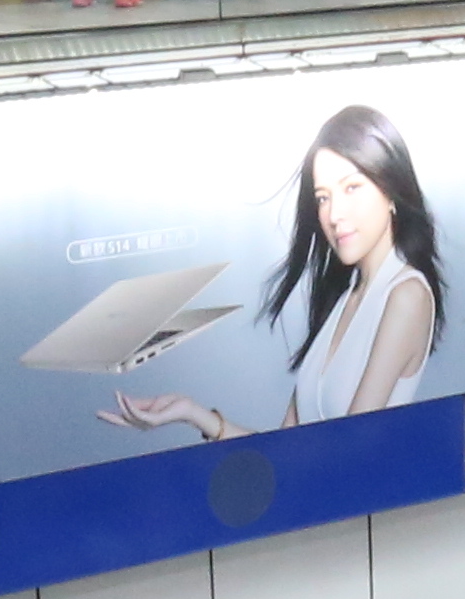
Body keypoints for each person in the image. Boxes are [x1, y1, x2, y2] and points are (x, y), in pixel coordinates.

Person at [105, 104, 445, 438]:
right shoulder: (345, 298)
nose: (335, 213)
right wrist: (193, 415)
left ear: (391, 191)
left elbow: (348, 447)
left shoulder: (406, 295)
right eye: (323, 197)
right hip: (314, 491)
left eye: (351, 188)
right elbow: (285, 448)